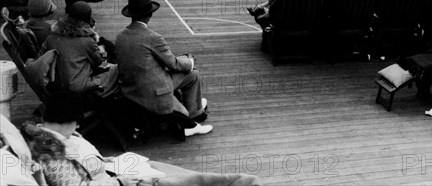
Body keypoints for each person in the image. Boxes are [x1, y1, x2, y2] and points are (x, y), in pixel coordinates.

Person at [19, 92, 260, 186]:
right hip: (121, 181)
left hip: (115, 170)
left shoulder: (51, 138)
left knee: (188, 177)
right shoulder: (50, 153)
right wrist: (125, 180)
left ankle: (242, 182)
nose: (78, 125)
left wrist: (113, 163)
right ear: (68, 120)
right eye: (75, 121)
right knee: (191, 180)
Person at [116, 0, 212, 137]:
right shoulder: (153, 37)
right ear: (150, 15)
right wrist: (190, 61)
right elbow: (173, 64)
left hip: (132, 89)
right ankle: (192, 116)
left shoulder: (120, 36)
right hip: (155, 92)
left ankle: (195, 109)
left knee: (191, 74)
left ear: (131, 14)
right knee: (192, 75)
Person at [41, 1, 119, 97]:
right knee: (116, 69)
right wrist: (96, 40)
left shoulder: (51, 37)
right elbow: (98, 62)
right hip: (77, 87)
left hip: (55, 85)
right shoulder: (86, 40)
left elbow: (41, 55)